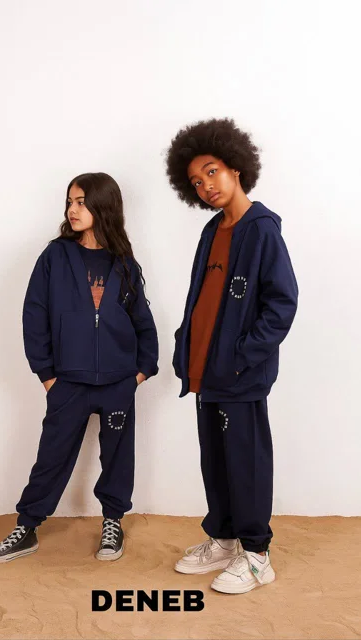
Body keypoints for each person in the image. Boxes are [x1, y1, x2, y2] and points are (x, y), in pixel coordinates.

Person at [0, 172, 159, 564]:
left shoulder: (123, 263)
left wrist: (141, 371)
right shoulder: (56, 256)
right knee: (52, 457)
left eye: (81, 202)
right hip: (68, 383)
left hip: (117, 382)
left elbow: (142, 321)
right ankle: (27, 527)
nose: (72, 210)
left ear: (102, 206)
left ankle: (112, 522)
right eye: (69, 202)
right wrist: (47, 375)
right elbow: (34, 314)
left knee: (118, 458)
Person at [166, 118, 298, 594]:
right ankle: (223, 540)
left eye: (212, 172)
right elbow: (201, 297)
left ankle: (257, 555)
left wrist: (244, 355)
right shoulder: (212, 230)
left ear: (235, 167)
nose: (206, 186)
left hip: (239, 373)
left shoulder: (261, 230)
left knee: (246, 462)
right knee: (216, 461)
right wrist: (187, 345)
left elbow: (282, 303)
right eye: (196, 182)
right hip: (206, 370)